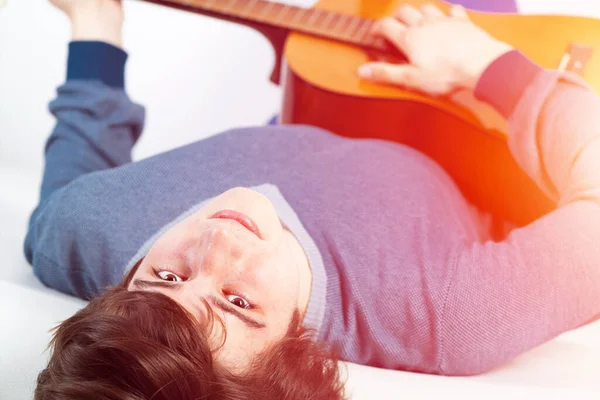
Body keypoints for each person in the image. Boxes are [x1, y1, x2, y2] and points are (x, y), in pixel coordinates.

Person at [27, 0, 600, 398]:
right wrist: (488, 68)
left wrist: (94, 20)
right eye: (237, 301)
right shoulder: (450, 316)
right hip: (475, 127)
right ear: (300, 353)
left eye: (167, 278)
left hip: (326, 95)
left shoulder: (80, 232)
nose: (217, 238)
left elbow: (77, 164)